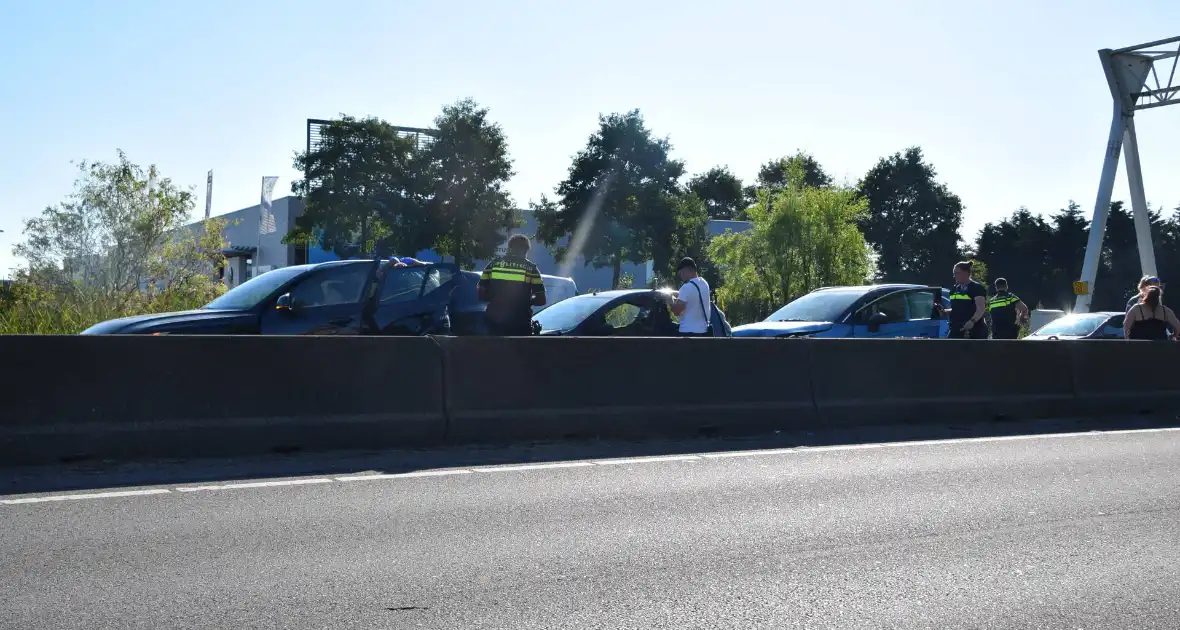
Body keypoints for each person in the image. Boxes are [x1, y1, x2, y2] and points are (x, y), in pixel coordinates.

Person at [478, 234, 546, 335]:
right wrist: (526, 302)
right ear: (525, 251)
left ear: (509, 248)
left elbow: (481, 293)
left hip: (494, 323)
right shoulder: (531, 269)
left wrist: (496, 300)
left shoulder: (493, 265)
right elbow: (541, 300)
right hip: (520, 323)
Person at [670, 257, 711, 337]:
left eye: (681, 273)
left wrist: (670, 300)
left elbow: (677, 311)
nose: (681, 276)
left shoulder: (686, 287)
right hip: (704, 331)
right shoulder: (704, 284)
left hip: (688, 332)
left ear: (686, 270)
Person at [947, 261, 988, 339]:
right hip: (956, 330)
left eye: (957, 273)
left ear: (966, 273)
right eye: (954, 273)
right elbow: (957, 309)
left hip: (974, 331)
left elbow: (981, 309)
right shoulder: (954, 289)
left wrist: (972, 321)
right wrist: (945, 311)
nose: (954, 276)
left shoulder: (976, 288)